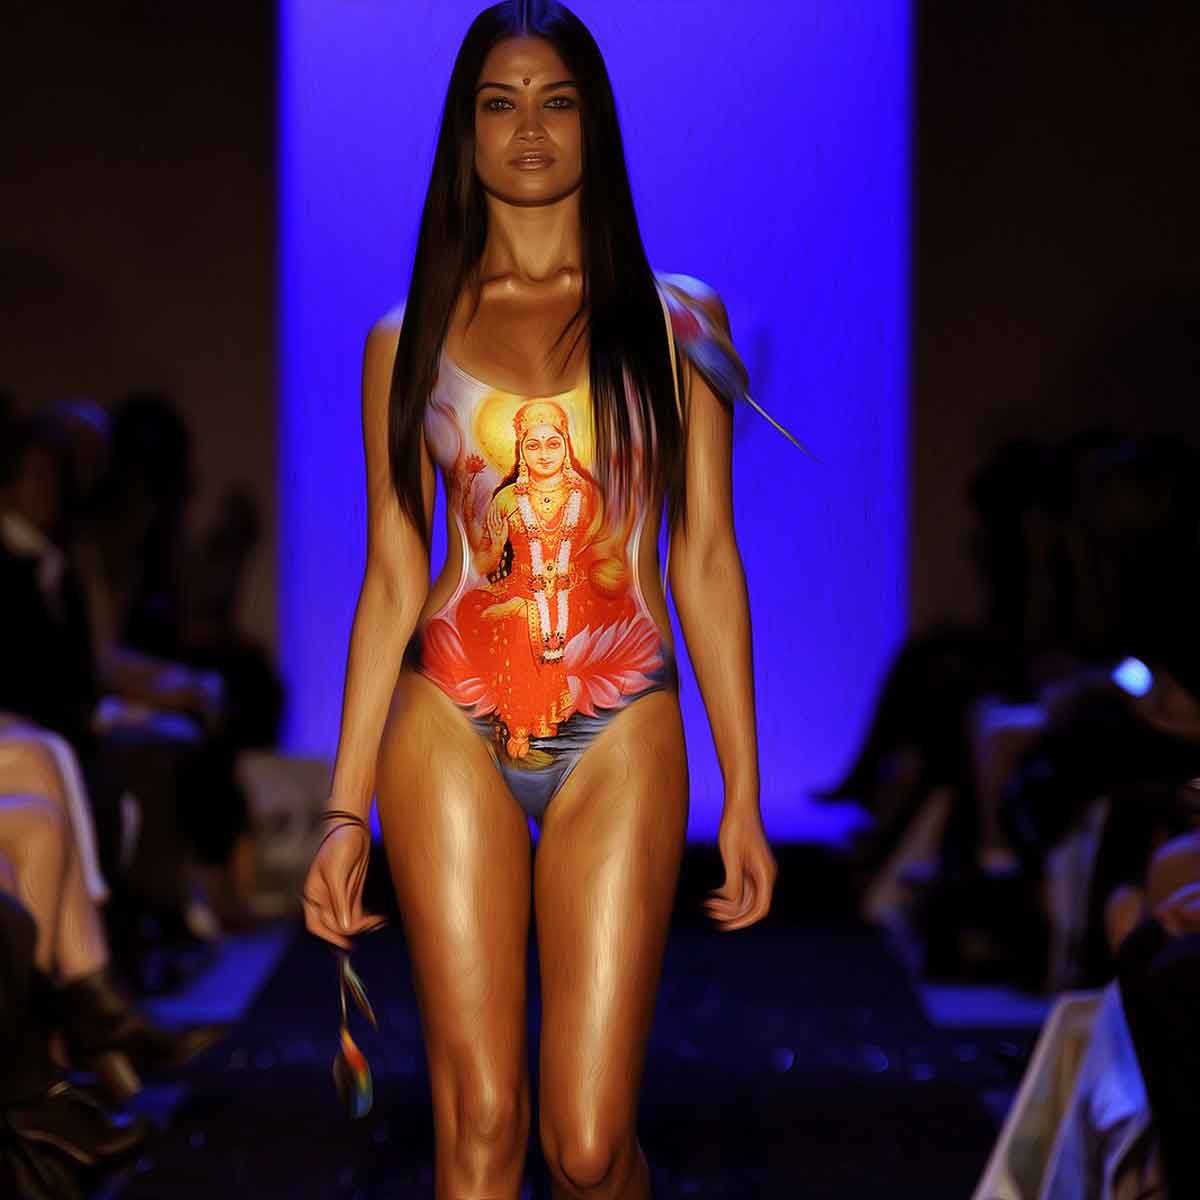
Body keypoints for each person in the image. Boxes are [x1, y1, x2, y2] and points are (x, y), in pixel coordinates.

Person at [302, 4, 796, 1195]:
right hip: (448, 711)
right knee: (478, 1125)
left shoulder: (681, 322)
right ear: (466, 131)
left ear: (595, 123)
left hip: (620, 716)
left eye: (557, 100)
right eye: (500, 103)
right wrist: (342, 810)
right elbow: (392, 573)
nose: (529, 128)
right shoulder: (404, 338)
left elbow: (705, 556)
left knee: (586, 1145)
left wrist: (744, 790)